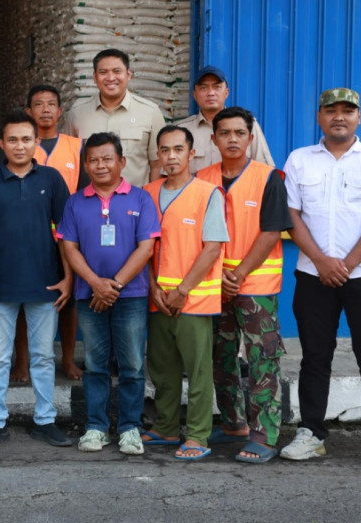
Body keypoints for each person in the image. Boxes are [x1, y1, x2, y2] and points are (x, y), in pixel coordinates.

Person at [280, 88, 361, 473]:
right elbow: (291, 216)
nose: (339, 117)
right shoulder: (300, 160)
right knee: (314, 358)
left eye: (347, 111)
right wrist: (322, 262)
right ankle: (312, 434)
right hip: (312, 274)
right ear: (319, 117)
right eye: (330, 110)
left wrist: (346, 264)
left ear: (359, 118)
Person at [0, 110, 72, 450]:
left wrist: (68, 278)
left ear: (37, 143)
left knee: (43, 357)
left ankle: (45, 419)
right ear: (1, 143)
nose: (19, 146)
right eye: (12, 139)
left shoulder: (52, 179)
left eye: (26, 139)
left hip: (44, 283)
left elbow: (67, 234)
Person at [197, 107, 290, 464]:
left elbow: (271, 232)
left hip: (256, 286)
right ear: (214, 138)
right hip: (212, 284)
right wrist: (220, 277)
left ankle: (264, 435)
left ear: (251, 138)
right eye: (225, 133)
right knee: (219, 356)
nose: (232, 139)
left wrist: (237, 276)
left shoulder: (269, 178)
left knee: (262, 358)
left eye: (239, 133)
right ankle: (234, 423)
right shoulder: (202, 179)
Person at [59, 132, 159, 455]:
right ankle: (96, 426)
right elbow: (69, 247)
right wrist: (95, 283)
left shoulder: (141, 198)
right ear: (85, 164)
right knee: (95, 363)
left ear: (121, 162)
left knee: (131, 364)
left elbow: (146, 247)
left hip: (131, 296)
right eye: (93, 160)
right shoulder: (75, 202)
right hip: (89, 297)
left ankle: (130, 427)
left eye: (107, 159)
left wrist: (112, 284)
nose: (100, 165)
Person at [142, 125, 227, 461]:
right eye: (165, 150)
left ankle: (197, 435)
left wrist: (182, 290)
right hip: (157, 298)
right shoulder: (146, 193)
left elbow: (212, 248)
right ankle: (165, 427)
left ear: (192, 154)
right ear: (158, 155)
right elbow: (143, 248)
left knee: (198, 369)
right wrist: (153, 288)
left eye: (178, 149)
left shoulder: (208, 193)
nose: (171, 156)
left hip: (193, 298)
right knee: (162, 367)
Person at [17, 84, 85, 383]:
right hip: (31, 235)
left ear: (60, 111)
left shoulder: (76, 147)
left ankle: (67, 360)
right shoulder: (22, 144)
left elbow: (85, 191)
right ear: (29, 112)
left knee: (68, 301)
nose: (45, 109)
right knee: (23, 299)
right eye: (38, 104)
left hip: (69, 236)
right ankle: (22, 362)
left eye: (51, 104)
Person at [63, 49, 166, 187]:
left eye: (117, 71)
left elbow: (157, 165)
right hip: (89, 204)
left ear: (128, 75)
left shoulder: (150, 112)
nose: (110, 78)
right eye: (103, 72)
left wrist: (152, 202)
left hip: (135, 204)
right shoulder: (77, 114)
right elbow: (69, 163)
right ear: (94, 77)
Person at [178, 66, 275, 172]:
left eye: (217, 87)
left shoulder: (247, 124)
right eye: (203, 88)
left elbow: (265, 170)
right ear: (195, 95)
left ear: (226, 93)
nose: (211, 93)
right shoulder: (182, 130)